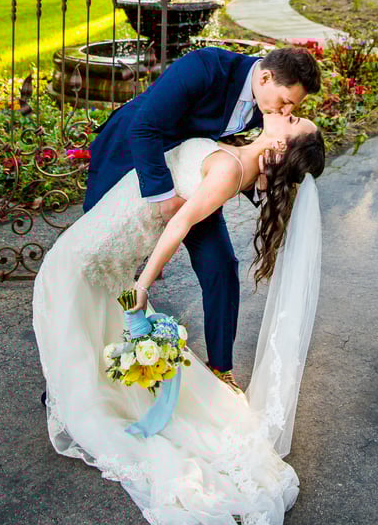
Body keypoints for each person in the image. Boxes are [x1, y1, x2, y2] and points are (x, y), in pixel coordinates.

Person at [32, 108, 325, 525]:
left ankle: (83, 402)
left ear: (279, 147)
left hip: (105, 244)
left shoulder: (229, 169)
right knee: (80, 311)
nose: (287, 113)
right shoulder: (239, 156)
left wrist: (142, 284)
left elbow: (180, 223)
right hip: (114, 233)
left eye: (292, 122)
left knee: (62, 290)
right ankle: (81, 392)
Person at [83, 45, 321, 386]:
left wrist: (267, 184)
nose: (285, 111)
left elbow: (240, 159)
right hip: (129, 161)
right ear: (266, 77)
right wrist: (164, 198)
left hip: (190, 181)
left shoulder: (267, 109)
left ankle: (221, 370)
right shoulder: (205, 68)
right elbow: (144, 127)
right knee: (95, 264)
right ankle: (74, 379)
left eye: (292, 108)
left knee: (221, 266)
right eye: (285, 102)